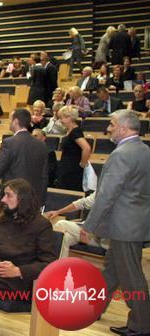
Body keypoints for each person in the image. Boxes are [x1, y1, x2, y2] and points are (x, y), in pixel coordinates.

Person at [83, 110, 150, 336]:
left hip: (124, 227)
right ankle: (95, 308)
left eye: (112, 124)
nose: (108, 128)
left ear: (123, 127)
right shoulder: (144, 150)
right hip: (135, 224)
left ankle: (142, 325)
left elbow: (106, 195)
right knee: (111, 271)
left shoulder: (121, 154)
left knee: (131, 277)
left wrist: (89, 225)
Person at [0, 179, 56, 311]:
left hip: (23, 288)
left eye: (8, 195)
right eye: (3, 195)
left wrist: (18, 271)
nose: (3, 200)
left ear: (23, 199)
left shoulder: (41, 225)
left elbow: (49, 263)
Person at [0, 109, 48, 206]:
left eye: (10, 120)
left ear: (15, 121)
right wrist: (40, 202)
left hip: (12, 197)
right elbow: (44, 176)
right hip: (32, 199)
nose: (9, 122)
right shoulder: (41, 145)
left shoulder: (9, 143)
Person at [45, 192, 104, 258]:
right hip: (85, 230)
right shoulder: (99, 191)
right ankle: (62, 264)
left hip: (101, 236)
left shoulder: (108, 194)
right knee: (66, 238)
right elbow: (82, 203)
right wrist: (58, 212)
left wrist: (87, 228)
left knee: (61, 224)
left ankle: (47, 257)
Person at [55, 105, 91, 192]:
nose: (61, 120)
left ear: (69, 117)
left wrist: (82, 164)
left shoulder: (75, 131)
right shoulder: (69, 130)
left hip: (72, 168)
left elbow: (87, 148)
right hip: (67, 166)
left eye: (62, 118)